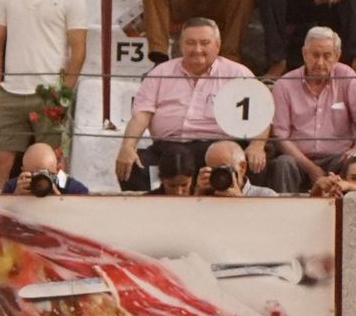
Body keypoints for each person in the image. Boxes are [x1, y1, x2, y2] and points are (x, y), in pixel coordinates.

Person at [114, 19, 300, 192]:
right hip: (169, 150)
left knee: (253, 163)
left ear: (218, 45)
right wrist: (128, 146)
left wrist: (257, 145)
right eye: (190, 43)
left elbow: (260, 117)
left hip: (217, 149)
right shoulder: (160, 73)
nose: (197, 49)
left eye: (204, 43)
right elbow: (141, 115)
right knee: (132, 166)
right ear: (180, 45)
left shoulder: (237, 73)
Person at [0, 0, 87, 188]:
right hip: (11, 90)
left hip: (50, 92)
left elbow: (78, 50)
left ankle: (56, 216)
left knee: (54, 162)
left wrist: (64, 92)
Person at [271, 26, 356, 185]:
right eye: (315, 55)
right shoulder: (284, 85)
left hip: (337, 157)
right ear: (305, 54)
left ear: (337, 56)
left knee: (353, 163)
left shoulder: (346, 76)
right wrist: (311, 168)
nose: (320, 62)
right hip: (298, 159)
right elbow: (280, 136)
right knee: (283, 164)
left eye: (327, 56)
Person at [1, 141, 89, 194]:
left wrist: (60, 200)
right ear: (23, 171)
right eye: (33, 175)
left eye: (46, 174)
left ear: (58, 170)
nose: (39, 180)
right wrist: (14, 198)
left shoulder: (74, 189)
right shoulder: (14, 187)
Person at [198, 139, 277, 195]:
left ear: (242, 168)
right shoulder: (206, 196)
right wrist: (198, 195)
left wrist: (239, 202)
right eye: (214, 170)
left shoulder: (265, 196)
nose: (220, 176)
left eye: (223, 169)